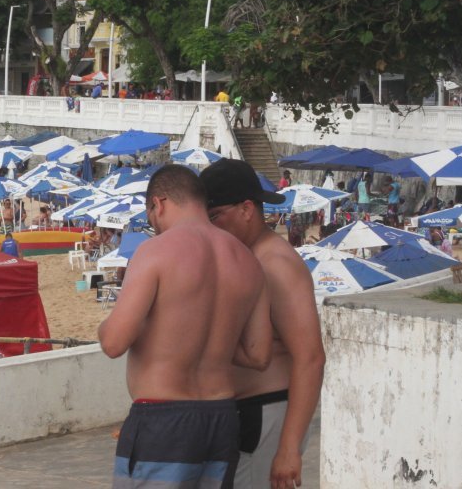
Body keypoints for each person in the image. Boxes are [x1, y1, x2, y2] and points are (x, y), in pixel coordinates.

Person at [98, 164, 272, 489]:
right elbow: (259, 355)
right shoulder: (247, 260)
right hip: (221, 419)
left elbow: (114, 343)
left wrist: (105, 327)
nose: (153, 224)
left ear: (158, 203)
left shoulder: (155, 251)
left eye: (151, 215)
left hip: (162, 418)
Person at [201, 159, 326, 489]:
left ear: (246, 209)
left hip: (267, 415)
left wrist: (288, 449)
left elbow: (310, 357)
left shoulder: (275, 262)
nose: (209, 228)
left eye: (215, 217)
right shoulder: (246, 257)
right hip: (249, 416)